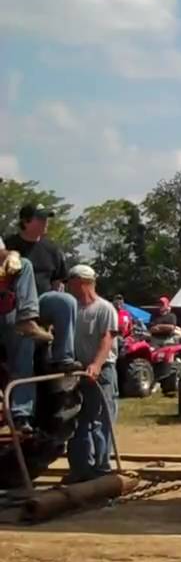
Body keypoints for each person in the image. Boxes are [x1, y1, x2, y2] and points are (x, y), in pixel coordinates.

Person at [4, 203, 78, 372]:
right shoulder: (9, 245)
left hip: (42, 301)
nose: (46, 222)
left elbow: (58, 283)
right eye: (40, 218)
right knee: (24, 343)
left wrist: (54, 318)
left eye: (47, 218)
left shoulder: (52, 249)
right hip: (14, 306)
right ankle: (23, 385)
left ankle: (63, 358)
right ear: (26, 221)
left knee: (66, 301)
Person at [64, 265, 118, 483]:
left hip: (101, 372)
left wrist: (96, 365)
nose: (67, 285)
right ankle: (80, 469)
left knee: (100, 421)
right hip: (77, 372)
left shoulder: (104, 309)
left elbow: (107, 339)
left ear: (82, 282)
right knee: (77, 421)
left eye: (70, 281)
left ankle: (101, 468)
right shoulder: (71, 309)